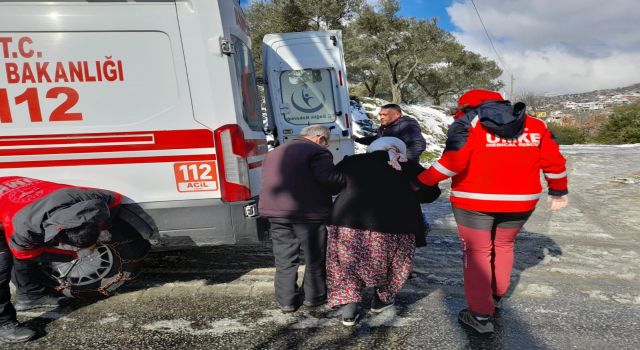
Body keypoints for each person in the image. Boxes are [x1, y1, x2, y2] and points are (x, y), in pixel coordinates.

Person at [417, 89, 569, 334]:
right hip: (522, 201)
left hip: (474, 201)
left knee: (477, 252)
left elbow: (453, 162)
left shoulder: (466, 123)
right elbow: (553, 161)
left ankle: (480, 314)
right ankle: (495, 297)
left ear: (467, 106)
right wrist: (558, 190)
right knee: (504, 246)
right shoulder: (535, 124)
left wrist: (421, 182)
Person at [326, 137, 440, 326]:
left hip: (348, 223)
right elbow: (431, 194)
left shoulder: (352, 161)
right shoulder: (409, 167)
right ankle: (382, 300)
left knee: (347, 265)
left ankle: (349, 310)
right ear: (400, 150)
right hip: (395, 226)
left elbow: (333, 185)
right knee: (395, 265)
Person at [0, 176, 122, 343]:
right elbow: (26, 254)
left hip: (11, 190)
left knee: (21, 249)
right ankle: (3, 325)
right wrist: (73, 255)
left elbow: (116, 200)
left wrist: (100, 228)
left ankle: (31, 295)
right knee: (2, 265)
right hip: (15, 211)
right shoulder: (24, 227)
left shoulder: (94, 196)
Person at [259, 125, 345, 313]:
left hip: (275, 212)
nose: (327, 146)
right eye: (326, 142)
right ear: (320, 138)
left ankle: (286, 301)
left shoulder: (275, 152)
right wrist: (344, 179)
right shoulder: (317, 152)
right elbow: (329, 180)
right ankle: (314, 297)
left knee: (284, 258)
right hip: (308, 213)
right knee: (314, 256)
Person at [354, 103, 431, 245]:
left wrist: (402, 161)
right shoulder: (385, 127)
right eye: (380, 114)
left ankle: (420, 227)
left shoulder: (407, 126)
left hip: (402, 171)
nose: (381, 117)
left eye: (385, 114)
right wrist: (358, 140)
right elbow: (378, 139)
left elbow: (419, 144)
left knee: (407, 201)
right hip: (387, 170)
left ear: (397, 115)